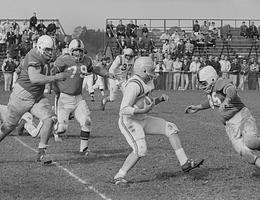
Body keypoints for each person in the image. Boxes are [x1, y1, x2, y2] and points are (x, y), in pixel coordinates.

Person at [113, 57, 204, 186]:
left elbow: (147, 102)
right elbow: (123, 110)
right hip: (130, 121)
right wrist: (141, 111)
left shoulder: (148, 81)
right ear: (143, 70)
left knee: (171, 128)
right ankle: (119, 176)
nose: (153, 71)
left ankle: (185, 163)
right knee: (141, 149)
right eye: (151, 69)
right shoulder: (133, 85)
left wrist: (159, 99)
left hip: (142, 118)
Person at [0, 35, 68, 164]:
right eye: (47, 50)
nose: (50, 52)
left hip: (37, 96)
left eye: (51, 50)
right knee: (8, 126)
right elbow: (35, 78)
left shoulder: (42, 56)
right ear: (39, 47)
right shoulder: (34, 55)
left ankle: (41, 153)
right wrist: (56, 77)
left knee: (49, 119)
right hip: (21, 96)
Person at [185, 66, 260, 170]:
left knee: (251, 141)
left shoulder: (219, 83)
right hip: (230, 125)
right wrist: (198, 107)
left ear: (211, 79)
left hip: (241, 116)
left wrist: (227, 100)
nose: (202, 86)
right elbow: (213, 101)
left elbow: (231, 89)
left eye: (203, 83)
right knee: (244, 151)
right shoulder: (211, 92)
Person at [52, 39, 116, 154]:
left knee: (87, 121)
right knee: (62, 128)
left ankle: (84, 148)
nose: (79, 54)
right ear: (71, 51)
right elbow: (53, 75)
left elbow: (94, 69)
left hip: (78, 98)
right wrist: (56, 90)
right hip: (64, 98)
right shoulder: (63, 60)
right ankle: (53, 126)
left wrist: (107, 74)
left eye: (80, 51)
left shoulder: (86, 61)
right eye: (76, 51)